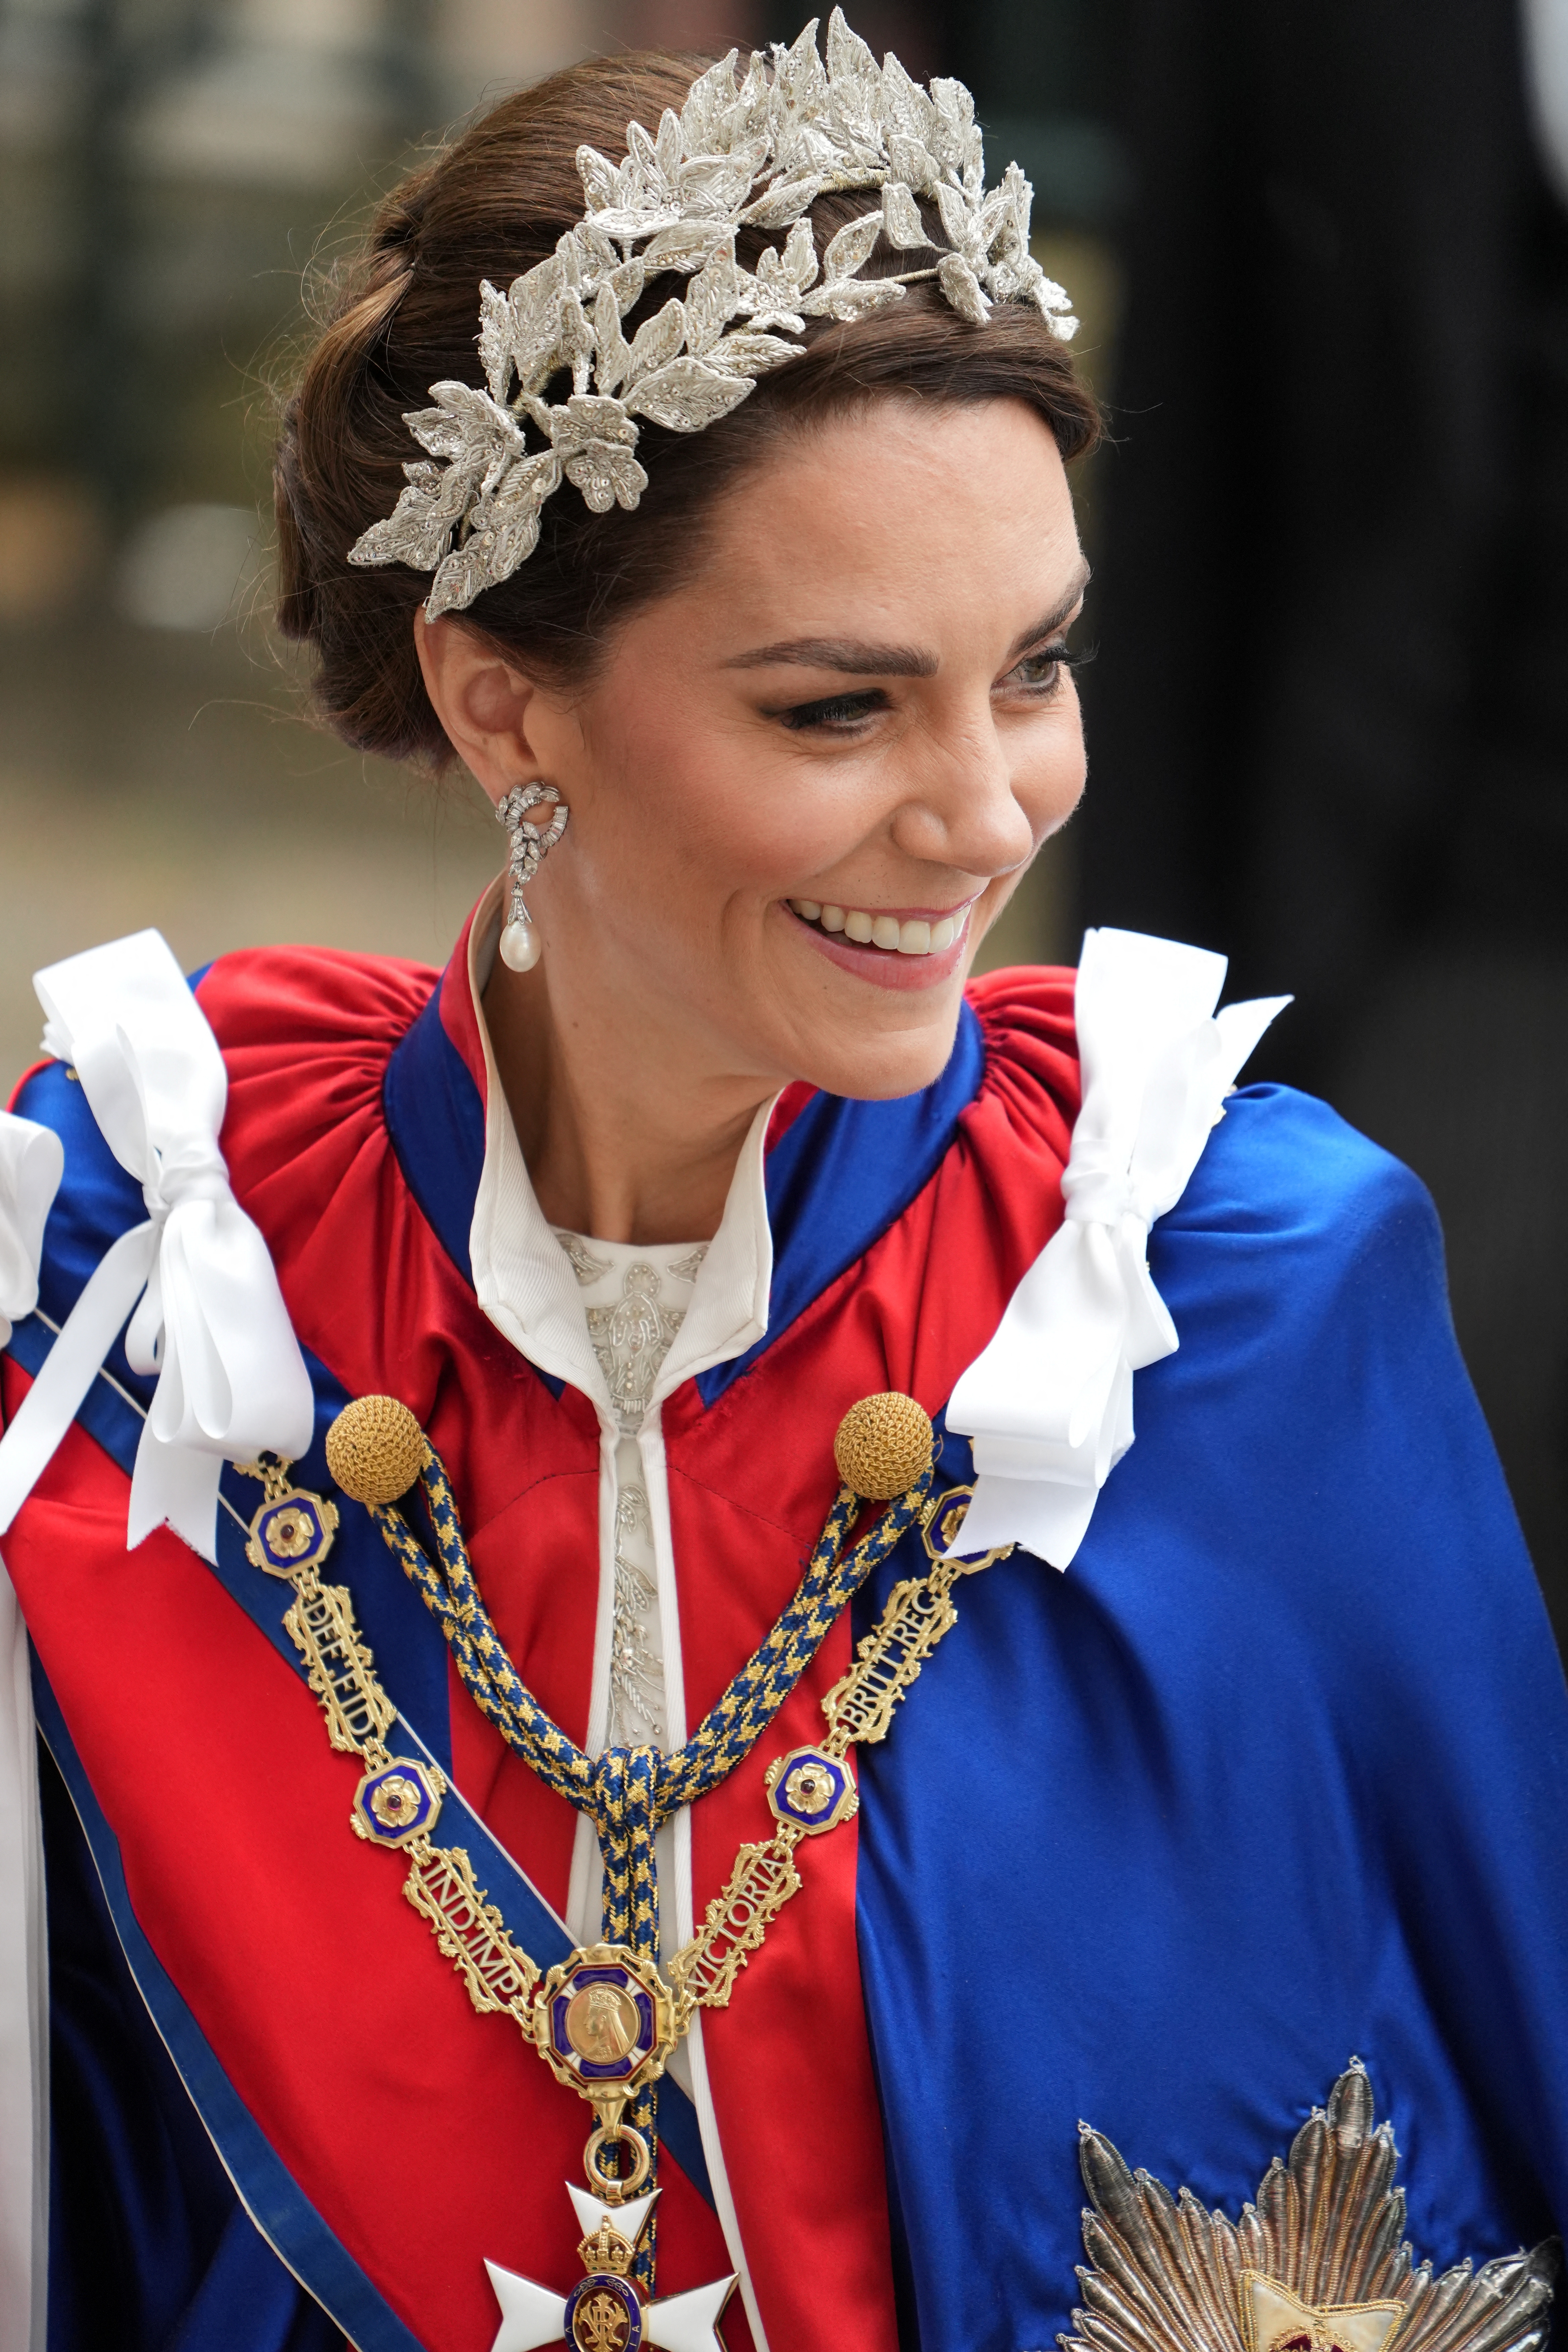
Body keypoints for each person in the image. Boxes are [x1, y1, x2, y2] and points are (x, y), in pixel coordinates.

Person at [0, 20, 1565, 2352]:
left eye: (1034, 669)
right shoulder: (148, 1282)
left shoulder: (1229, 1279)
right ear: (499, 700)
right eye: (836, 709)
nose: (984, 812)